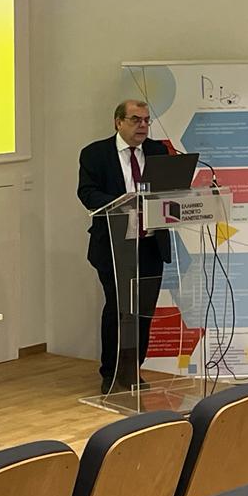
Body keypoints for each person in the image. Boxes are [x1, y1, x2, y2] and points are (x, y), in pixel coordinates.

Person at [77, 100, 172, 394]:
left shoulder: (158, 151)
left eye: (146, 120)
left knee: (143, 311)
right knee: (119, 310)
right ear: (118, 122)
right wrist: (125, 204)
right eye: (135, 120)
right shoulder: (95, 153)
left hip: (150, 244)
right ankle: (111, 372)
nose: (142, 126)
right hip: (113, 244)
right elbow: (87, 193)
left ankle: (133, 370)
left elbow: (169, 191)